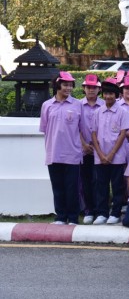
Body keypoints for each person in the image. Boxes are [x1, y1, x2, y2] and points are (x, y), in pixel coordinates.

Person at [40, 72, 84, 225]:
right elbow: (45, 128)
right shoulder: (47, 105)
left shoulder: (77, 105)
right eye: (65, 85)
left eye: (70, 85)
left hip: (72, 153)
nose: (68, 88)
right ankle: (60, 217)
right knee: (57, 187)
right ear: (57, 85)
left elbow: (82, 129)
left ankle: (73, 218)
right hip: (53, 153)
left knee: (72, 188)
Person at [91, 80, 129, 225]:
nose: (108, 96)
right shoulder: (97, 112)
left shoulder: (123, 112)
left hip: (117, 156)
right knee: (101, 185)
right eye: (106, 93)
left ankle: (115, 213)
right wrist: (101, 154)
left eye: (111, 94)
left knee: (117, 186)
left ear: (117, 95)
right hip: (100, 156)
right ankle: (102, 213)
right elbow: (93, 134)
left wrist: (111, 154)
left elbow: (122, 134)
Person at [78, 74, 103, 224]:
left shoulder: (105, 104)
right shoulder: (78, 105)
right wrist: (84, 144)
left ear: (99, 89)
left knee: (99, 181)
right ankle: (89, 210)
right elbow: (75, 128)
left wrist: (97, 146)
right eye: (88, 87)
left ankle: (100, 210)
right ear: (84, 88)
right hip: (84, 149)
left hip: (101, 150)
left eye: (94, 87)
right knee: (86, 181)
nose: (91, 90)